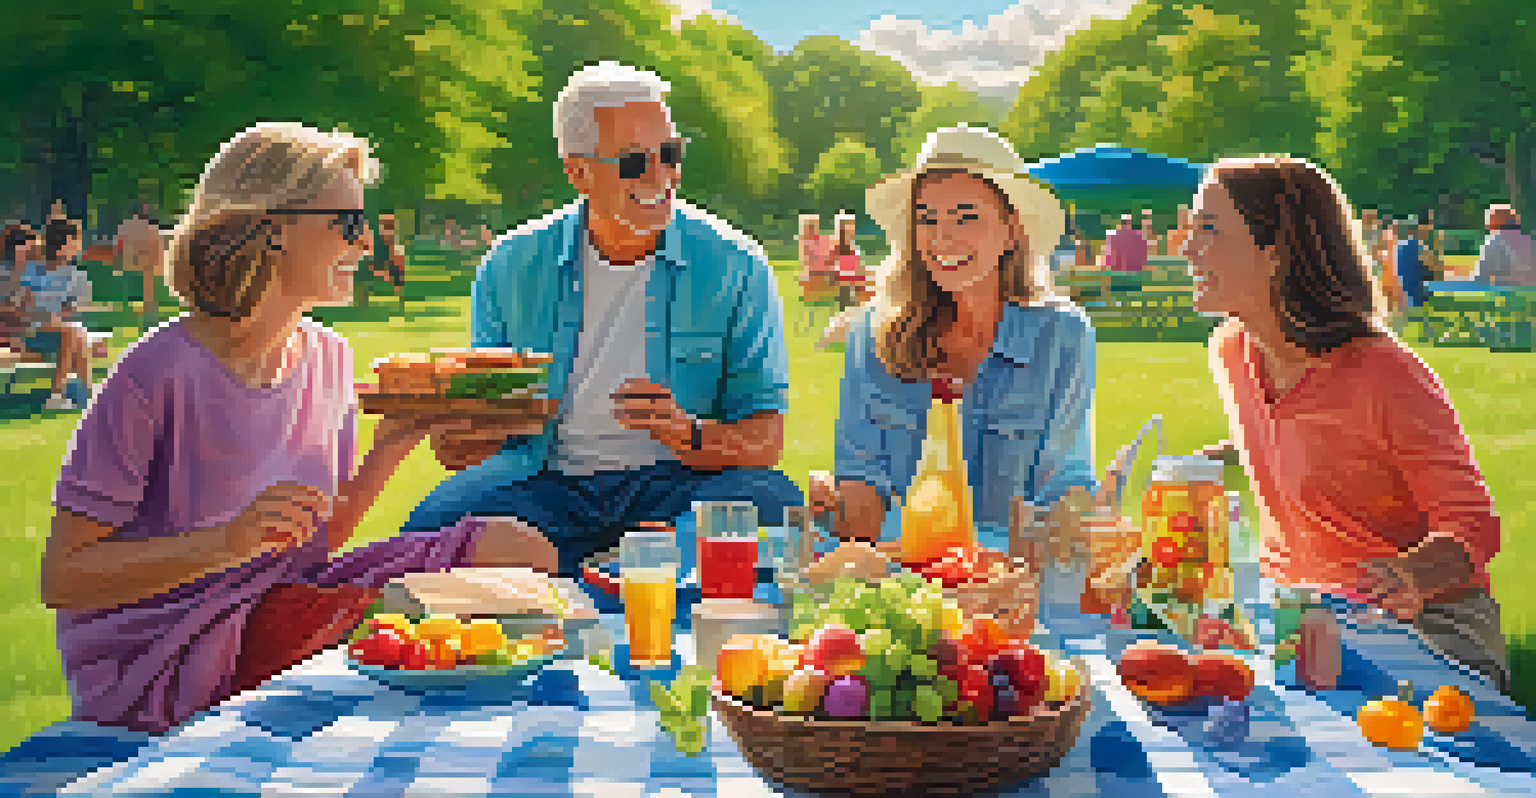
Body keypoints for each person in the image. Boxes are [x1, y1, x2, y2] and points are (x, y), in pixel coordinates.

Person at [38, 122, 545, 735]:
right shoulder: (159, 370)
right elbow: (64, 577)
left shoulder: (328, 355)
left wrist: (390, 447)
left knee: (515, 549)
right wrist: (229, 542)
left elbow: (313, 542)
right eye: (349, 224)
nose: (365, 247)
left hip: (284, 601)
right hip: (172, 650)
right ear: (273, 227)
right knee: (402, 628)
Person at [403, 62, 803, 580]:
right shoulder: (510, 265)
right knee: (428, 531)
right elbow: (468, 445)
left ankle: (587, 572)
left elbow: (765, 439)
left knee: (771, 502)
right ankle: (636, 571)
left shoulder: (736, 264)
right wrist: (462, 430)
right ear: (578, 172)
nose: (661, 177)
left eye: (670, 154)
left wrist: (689, 433)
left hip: (678, 483)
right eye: (635, 162)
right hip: (542, 484)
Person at [1185, 157, 1510, 693]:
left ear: (1275, 252)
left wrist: (1411, 576)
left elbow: (1473, 525)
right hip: (1298, 614)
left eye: (1209, 230)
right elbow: (1299, 437)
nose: (1187, 248)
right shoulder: (1233, 351)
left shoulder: (1386, 374)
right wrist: (1202, 464)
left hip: (1424, 629)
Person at [809, 125, 1097, 553]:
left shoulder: (1062, 335)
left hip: (1014, 583)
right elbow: (861, 485)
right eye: (927, 219)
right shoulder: (872, 334)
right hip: (906, 577)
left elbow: (1067, 485)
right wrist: (835, 507)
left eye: (966, 218)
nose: (943, 237)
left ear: (1012, 229)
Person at [21, 216, 95, 410]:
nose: (78, 246)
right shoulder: (34, 270)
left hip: (58, 332)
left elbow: (69, 310)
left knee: (76, 331)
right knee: (73, 331)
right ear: (60, 245)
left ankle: (83, 394)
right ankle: (58, 395)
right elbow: (26, 307)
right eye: (74, 242)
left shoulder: (75, 275)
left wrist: (65, 313)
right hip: (31, 333)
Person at [115, 204, 167, 331]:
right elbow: (159, 248)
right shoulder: (152, 228)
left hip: (128, 263)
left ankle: (127, 315)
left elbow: (119, 246)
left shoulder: (124, 226)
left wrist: (117, 264)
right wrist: (161, 267)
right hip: (146, 266)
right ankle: (149, 318)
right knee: (148, 293)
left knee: (127, 291)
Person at [1472, 204, 1535, 287]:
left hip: (1506, 292)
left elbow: (1480, 278)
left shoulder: (1493, 241)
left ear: (1493, 222)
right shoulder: (1530, 241)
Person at [1393, 217, 1429, 311]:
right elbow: (1424, 265)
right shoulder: (1417, 245)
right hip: (1414, 285)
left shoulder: (1399, 245)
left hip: (1402, 285)